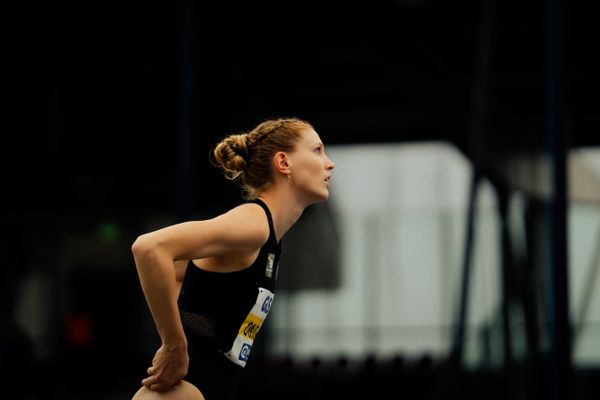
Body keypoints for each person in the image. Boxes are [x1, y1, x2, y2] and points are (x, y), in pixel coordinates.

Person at [131, 117, 335, 399]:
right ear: (284, 163)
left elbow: (180, 270)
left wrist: (183, 324)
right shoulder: (253, 223)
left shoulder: (270, 236)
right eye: (317, 150)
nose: (329, 163)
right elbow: (150, 248)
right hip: (182, 390)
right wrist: (174, 345)